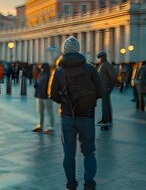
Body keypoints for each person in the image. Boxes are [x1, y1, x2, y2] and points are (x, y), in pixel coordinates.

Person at [50, 37, 104, 190]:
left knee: (69, 153)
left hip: (68, 117)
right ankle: (89, 183)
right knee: (89, 152)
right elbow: (100, 92)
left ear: (64, 50)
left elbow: (53, 95)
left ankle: (71, 184)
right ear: (78, 50)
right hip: (87, 116)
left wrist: (66, 102)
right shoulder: (90, 68)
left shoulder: (59, 71)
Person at [96, 52, 116, 129]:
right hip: (103, 87)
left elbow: (113, 76)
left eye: (100, 57)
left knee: (105, 105)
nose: (99, 59)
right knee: (105, 104)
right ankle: (106, 119)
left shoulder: (106, 65)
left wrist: (110, 85)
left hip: (106, 87)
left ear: (104, 57)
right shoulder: (102, 65)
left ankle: (106, 120)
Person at [33, 63, 54, 133]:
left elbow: (50, 85)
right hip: (39, 95)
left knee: (49, 111)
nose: (41, 68)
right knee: (40, 111)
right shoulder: (41, 74)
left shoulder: (49, 75)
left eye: (42, 67)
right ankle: (40, 125)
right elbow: (39, 82)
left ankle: (51, 125)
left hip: (47, 96)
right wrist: (36, 85)